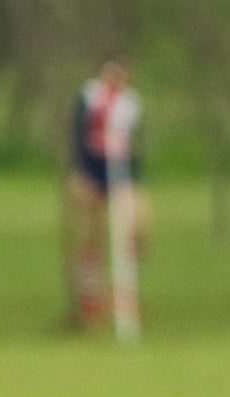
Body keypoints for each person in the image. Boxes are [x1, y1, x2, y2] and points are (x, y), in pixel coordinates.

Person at [68, 55, 146, 329]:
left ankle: (125, 288)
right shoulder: (89, 98)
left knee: (137, 225)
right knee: (94, 232)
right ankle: (90, 295)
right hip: (93, 166)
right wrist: (80, 172)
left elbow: (133, 139)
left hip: (123, 167)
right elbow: (77, 135)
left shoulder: (130, 102)